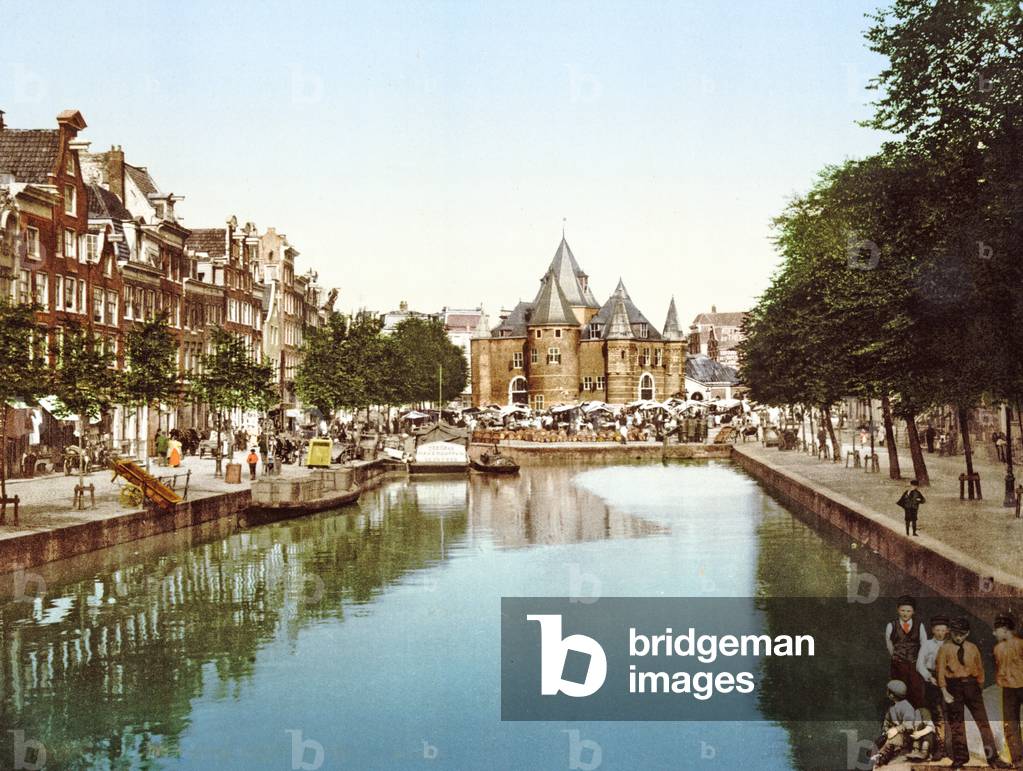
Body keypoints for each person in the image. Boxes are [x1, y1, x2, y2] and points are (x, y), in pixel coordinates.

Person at [937, 616, 1011, 768]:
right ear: (950, 632)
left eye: (962, 634)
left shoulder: (972, 648)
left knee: (983, 723)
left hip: (972, 686)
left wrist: (979, 687)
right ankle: (960, 759)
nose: (958, 637)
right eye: (956, 633)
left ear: (968, 633)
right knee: (957, 724)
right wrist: (945, 692)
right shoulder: (945, 648)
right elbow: (940, 672)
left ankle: (993, 759)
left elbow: (980, 669)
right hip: (953, 688)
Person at [871, 679, 935, 766]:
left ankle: (882, 756)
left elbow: (909, 725)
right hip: (896, 737)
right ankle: (880, 756)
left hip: (906, 737)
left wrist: (896, 729)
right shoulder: (891, 709)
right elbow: (887, 722)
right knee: (883, 742)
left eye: (888, 691)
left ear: (892, 695)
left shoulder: (907, 707)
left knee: (892, 742)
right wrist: (886, 730)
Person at [917, 614, 951, 759]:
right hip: (932, 681)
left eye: (943, 630)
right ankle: (938, 748)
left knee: (949, 712)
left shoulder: (950, 645)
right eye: (937, 630)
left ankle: (950, 749)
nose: (940, 633)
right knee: (937, 715)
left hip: (949, 681)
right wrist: (929, 677)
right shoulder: (927, 644)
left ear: (948, 631)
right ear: (932, 630)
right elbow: (919, 664)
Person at [886, 596, 928, 708]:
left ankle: (916, 721)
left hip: (915, 665)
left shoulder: (919, 625)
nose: (905, 613)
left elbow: (924, 644)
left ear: (913, 611)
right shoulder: (891, 625)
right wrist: (897, 658)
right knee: (898, 693)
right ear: (897, 610)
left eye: (908, 611)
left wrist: (919, 661)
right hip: (898, 666)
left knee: (916, 692)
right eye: (902, 610)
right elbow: (889, 645)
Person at [994, 614, 1023, 766]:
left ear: (1005, 630)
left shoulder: (1019, 644)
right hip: (1009, 690)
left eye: (997, 630)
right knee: (1010, 725)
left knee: (1011, 725)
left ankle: (1019, 761)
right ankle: (1018, 761)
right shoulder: (998, 648)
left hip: (1015, 688)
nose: (994, 633)